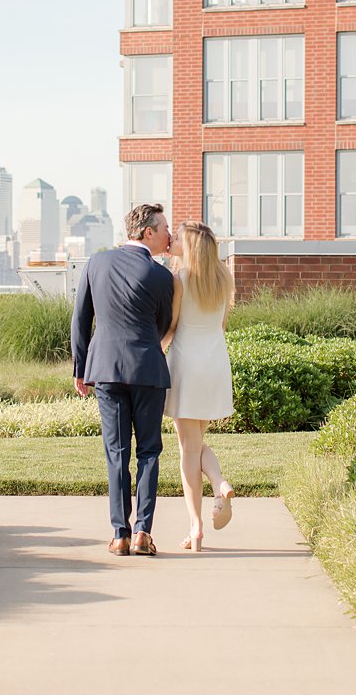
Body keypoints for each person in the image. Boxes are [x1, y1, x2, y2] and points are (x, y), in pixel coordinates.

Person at [70, 202, 175, 557]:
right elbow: (161, 326)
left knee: (117, 452)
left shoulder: (95, 263)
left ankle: (119, 534)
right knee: (149, 451)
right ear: (148, 232)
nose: (168, 234)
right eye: (164, 228)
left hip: (106, 371)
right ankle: (144, 531)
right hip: (148, 368)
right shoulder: (162, 276)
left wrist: (80, 368)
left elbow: (80, 319)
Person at [162, 220, 236, 552]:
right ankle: (219, 482)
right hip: (214, 366)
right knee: (196, 444)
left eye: (177, 238)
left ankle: (195, 526)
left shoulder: (179, 280)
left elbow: (174, 326)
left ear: (190, 246)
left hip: (186, 368)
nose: (172, 240)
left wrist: (155, 348)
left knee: (188, 450)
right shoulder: (224, 279)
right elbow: (220, 325)